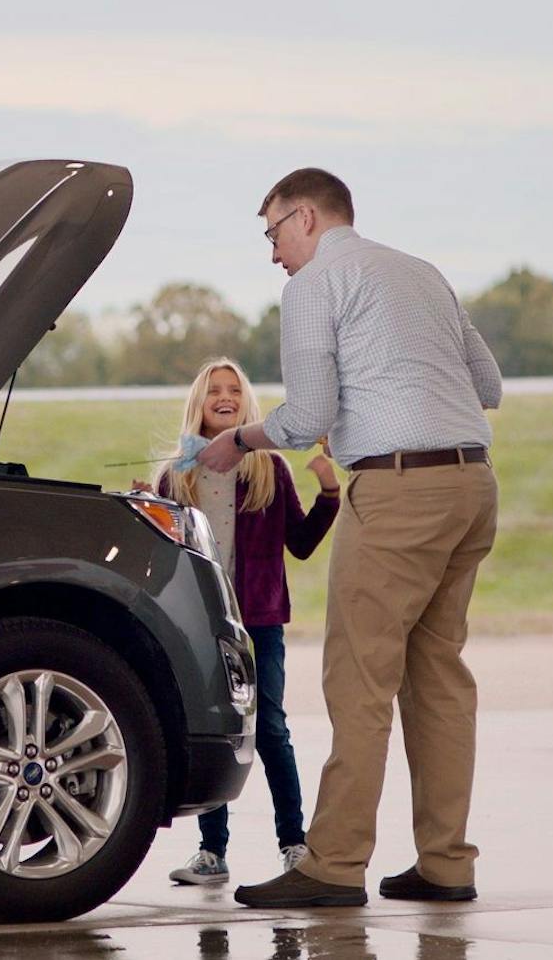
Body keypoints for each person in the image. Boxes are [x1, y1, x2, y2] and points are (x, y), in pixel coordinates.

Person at [199, 168, 503, 910]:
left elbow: (303, 418)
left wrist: (237, 439)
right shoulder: (420, 272)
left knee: (359, 679)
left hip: (397, 494)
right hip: (471, 485)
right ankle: (445, 860)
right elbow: (488, 386)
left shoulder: (313, 287)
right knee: (438, 676)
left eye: (272, 232)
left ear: (304, 217)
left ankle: (333, 863)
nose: (273, 253)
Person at [142, 357, 339, 888]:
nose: (225, 398)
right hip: (203, 626)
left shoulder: (267, 469)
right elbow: (166, 559)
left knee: (271, 729)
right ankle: (212, 852)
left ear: (245, 403)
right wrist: (148, 509)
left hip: (261, 623)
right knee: (212, 729)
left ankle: (294, 844)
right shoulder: (176, 475)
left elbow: (299, 544)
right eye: (214, 391)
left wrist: (329, 494)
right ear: (199, 405)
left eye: (234, 390)